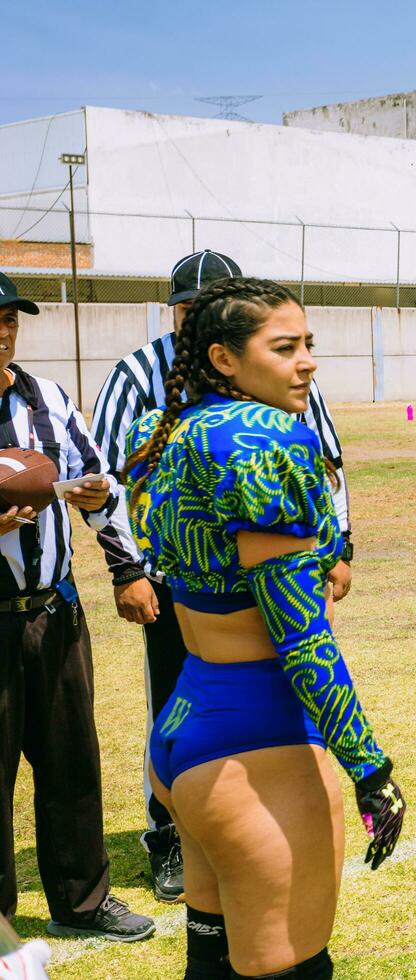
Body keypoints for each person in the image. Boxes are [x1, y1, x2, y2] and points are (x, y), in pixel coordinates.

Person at [125, 276, 405, 978]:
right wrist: (371, 769)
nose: (307, 361)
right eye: (284, 348)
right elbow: (300, 634)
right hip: (258, 737)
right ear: (225, 358)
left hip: (191, 719)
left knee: (213, 963)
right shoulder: (265, 438)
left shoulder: (169, 428)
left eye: (308, 344)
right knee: (294, 969)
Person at [89, 250, 357, 904]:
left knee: (274, 699)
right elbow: (105, 481)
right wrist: (129, 569)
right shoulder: (136, 376)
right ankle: (171, 837)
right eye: (190, 310)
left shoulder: (276, 362)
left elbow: (327, 461)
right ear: (172, 311)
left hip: (271, 581)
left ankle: (264, 816)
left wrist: (337, 547)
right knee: (180, 707)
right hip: (180, 585)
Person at [0, 273, 155, 942]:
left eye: (10, 318)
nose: (3, 330)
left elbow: (100, 484)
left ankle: (83, 900)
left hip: (55, 614)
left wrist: (127, 568)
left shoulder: (49, 401)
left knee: (71, 764)